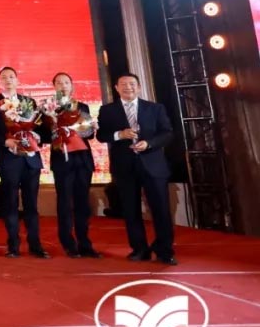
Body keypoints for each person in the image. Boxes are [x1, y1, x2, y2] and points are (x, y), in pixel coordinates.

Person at [96, 73, 176, 265]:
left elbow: (167, 133)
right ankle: (140, 249)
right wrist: (119, 134)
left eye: (132, 84)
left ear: (139, 87)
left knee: (161, 210)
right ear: (116, 88)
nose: (128, 87)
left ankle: (165, 250)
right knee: (130, 210)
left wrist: (149, 143)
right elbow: (101, 135)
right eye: (123, 84)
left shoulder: (155, 108)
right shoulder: (107, 110)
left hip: (153, 166)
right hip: (124, 167)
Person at [0, 67, 50, 258]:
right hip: (9, 158)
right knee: (10, 203)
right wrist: (5, 141)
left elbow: (39, 126)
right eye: (4, 77)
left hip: (30, 159)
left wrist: (35, 137)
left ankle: (35, 245)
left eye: (11, 77)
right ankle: (13, 245)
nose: (8, 80)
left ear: (17, 80)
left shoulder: (29, 102)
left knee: (32, 204)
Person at [46, 72, 101, 258]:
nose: (63, 85)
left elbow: (89, 135)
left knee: (82, 203)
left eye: (66, 82)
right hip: (62, 159)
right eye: (59, 83)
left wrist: (90, 127)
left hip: (82, 159)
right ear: (54, 86)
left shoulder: (82, 106)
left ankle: (85, 244)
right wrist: (55, 127)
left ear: (72, 86)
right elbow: (45, 136)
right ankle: (68, 243)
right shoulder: (48, 108)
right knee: (64, 203)